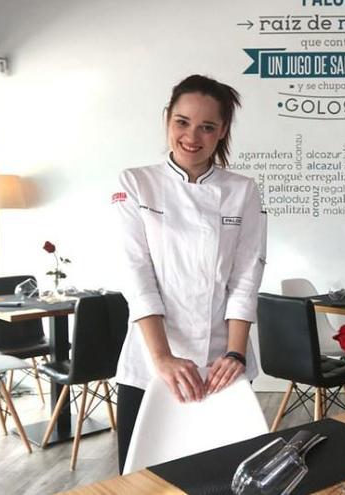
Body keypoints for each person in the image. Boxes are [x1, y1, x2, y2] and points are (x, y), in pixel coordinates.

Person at [112, 74, 266, 473]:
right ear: (167, 120)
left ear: (222, 132)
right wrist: (162, 358)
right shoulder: (136, 183)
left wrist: (233, 353)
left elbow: (246, 278)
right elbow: (137, 275)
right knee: (143, 480)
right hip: (149, 363)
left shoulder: (242, 190)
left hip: (222, 367)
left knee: (227, 476)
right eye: (182, 122)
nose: (192, 136)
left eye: (207, 126)